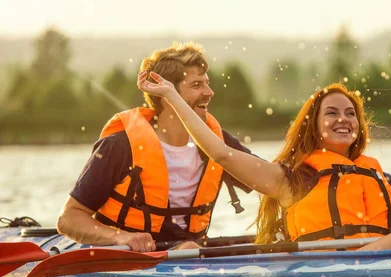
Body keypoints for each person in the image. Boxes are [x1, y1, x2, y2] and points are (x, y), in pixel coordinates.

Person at [137, 71, 391, 250]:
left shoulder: (384, 181)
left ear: (360, 127)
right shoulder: (291, 180)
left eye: (350, 114)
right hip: (349, 265)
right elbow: (220, 152)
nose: (343, 119)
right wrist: (170, 95)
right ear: (313, 127)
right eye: (331, 113)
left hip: (389, 255)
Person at [57, 42, 254, 252]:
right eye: (197, 85)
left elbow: (269, 182)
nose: (210, 92)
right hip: (126, 256)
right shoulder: (119, 146)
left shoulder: (218, 143)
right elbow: (69, 219)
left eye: (207, 83)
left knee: (188, 247)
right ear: (166, 94)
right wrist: (119, 237)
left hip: (190, 253)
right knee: (187, 248)